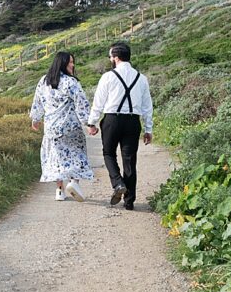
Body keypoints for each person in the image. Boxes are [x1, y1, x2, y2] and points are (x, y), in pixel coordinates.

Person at [86, 42, 153, 211]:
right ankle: (129, 201)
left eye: (110, 57)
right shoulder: (141, 78)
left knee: (108, 153)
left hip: (112, 120)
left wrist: (92, 122)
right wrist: (148, 129)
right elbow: (147, 106)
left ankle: (118, 184)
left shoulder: (108, 77)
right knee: (129, 160)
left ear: (116, 58)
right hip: (132, 121)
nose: (110, 59)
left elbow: (98, 102)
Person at [30, 51, 94, 202]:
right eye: (70, 62)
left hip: (51, 128)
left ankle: (59, 191)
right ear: (63, 63)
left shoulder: (44, 81)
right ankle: (73, 183)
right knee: (76, 154)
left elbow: (37, 103)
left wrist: (36, 120)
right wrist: (89, 123)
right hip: (70, 127)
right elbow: (81, 104)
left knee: (56, 159)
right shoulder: (71, 82)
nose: (73, 65)